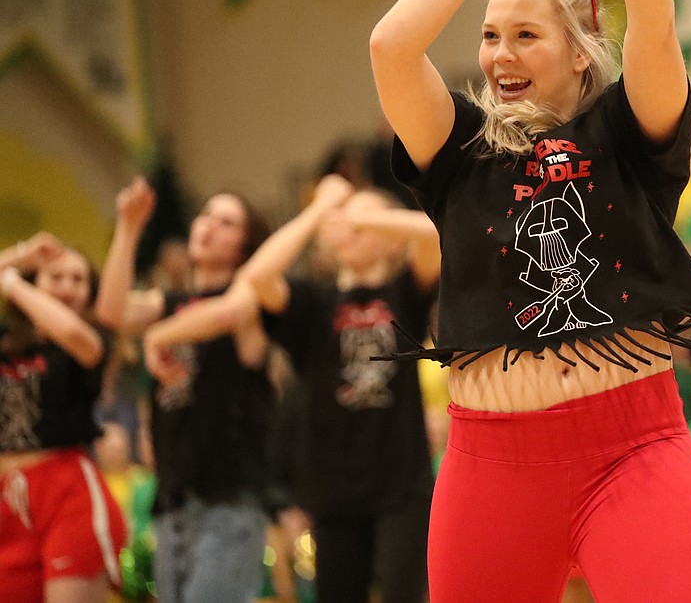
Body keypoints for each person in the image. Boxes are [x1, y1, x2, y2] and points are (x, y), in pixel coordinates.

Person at [367, 0, 691, 603]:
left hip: (633, 451)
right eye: (489, 37)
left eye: (525, 35)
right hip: (491, 468)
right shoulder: (459, 153)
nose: (500, 56)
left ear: (581, 55)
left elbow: (653, 30)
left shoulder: (627, 134)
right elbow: (391, 45)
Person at [143, 175, 440, 603]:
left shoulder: (403, 292)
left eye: (367, 222)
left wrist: (371, 217)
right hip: (333, 489)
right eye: (348, 222)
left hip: (402, 487)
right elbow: (258, 275)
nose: (353, 228)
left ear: (392, 238)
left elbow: (434, 231)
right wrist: (319, 210)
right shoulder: (313, 303)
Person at [95, 178, 274, 603]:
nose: (208, 225)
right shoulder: (170, 303)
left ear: (245, 247)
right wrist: (128, 227)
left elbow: (227, 312)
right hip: (172, 502)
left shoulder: (252, 303)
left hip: (228, 505)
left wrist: (158, 338)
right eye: (206, 215)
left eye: (226, 222)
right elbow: (111, 311)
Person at [0, 233, 127, 602]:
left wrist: (10, 282)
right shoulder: (7, 342)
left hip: (66, 492)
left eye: (79, 279)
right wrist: (21, 257)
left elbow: (75, 334)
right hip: (8, 497)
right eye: (56, 277)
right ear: (34, 282)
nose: (68, 287)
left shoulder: (90, 338)